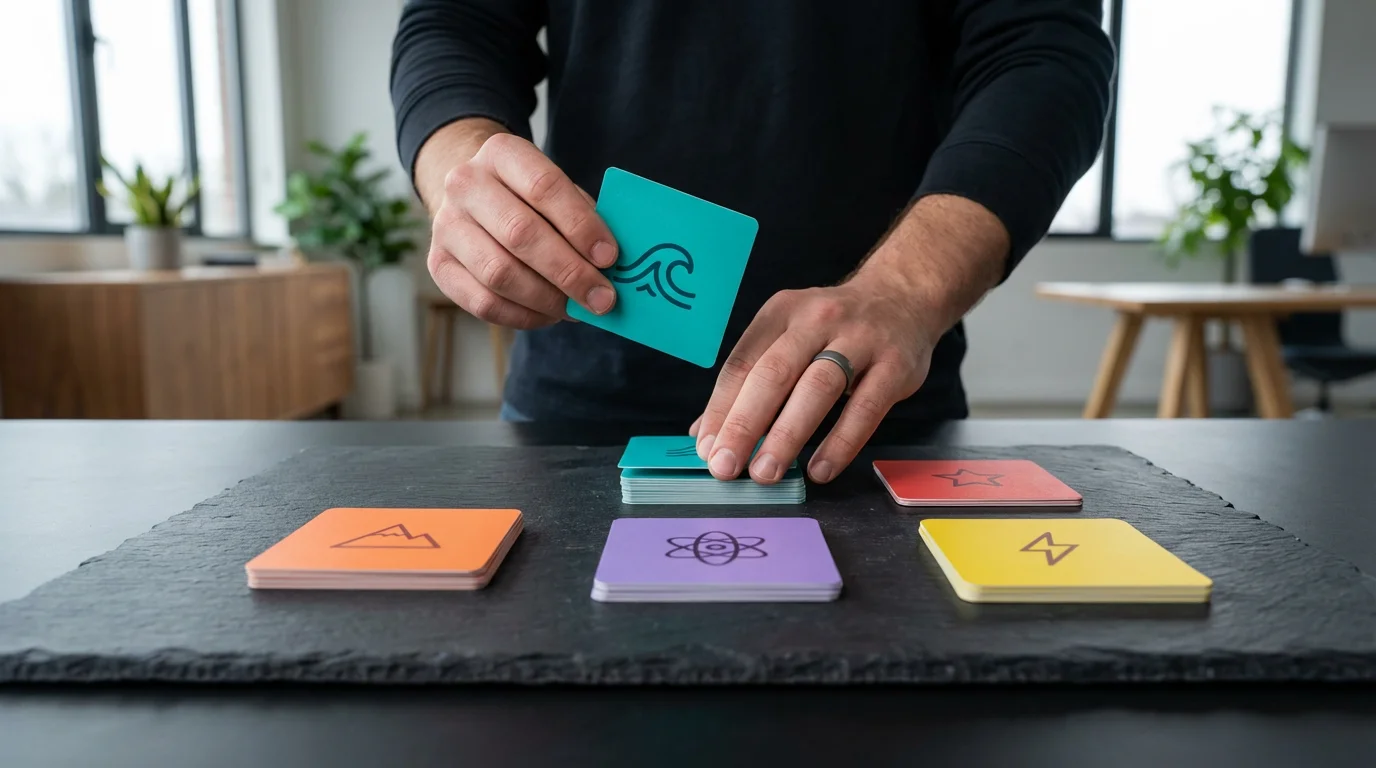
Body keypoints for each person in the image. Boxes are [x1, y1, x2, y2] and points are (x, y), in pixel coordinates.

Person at [390, 1, 1114, 486]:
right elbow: (455, 22)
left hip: (869, 411)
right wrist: (460, 158)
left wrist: (906, 288)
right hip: (574, 400)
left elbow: (1043, 50)